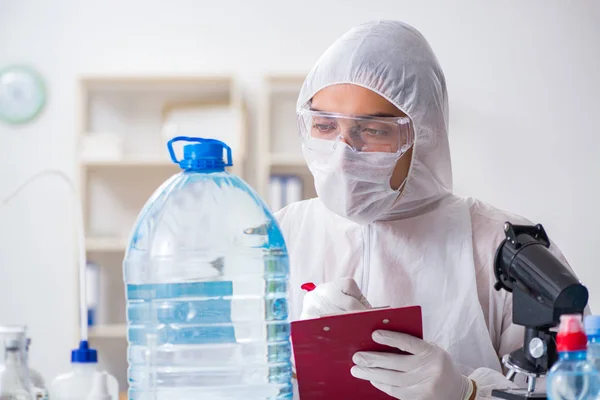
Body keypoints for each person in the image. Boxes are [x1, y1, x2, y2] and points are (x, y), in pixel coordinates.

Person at [275, 20, 572, 400]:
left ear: (424, 135)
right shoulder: (282, 236)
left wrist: (468, 394)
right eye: (324, 125)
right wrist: (289, 368)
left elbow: (569, 388)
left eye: (374, 130)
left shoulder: (505, 247)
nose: (343, 154)